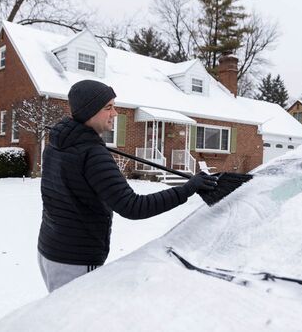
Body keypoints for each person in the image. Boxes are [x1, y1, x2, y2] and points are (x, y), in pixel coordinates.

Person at [37, 79, 217, 292]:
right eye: (108, 107)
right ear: (89, 112)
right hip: (75, 259)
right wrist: (187, 189)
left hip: (49, 248)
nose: (115, 113)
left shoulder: (57, 145)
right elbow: (133, 206)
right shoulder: (92, 154)